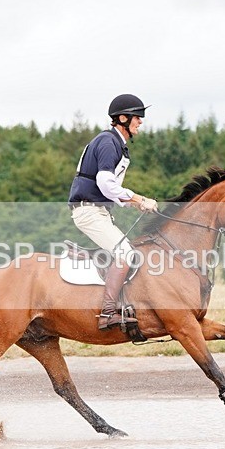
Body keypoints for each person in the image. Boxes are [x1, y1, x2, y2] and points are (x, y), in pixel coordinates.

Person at [68, 94, 159, 330]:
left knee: (125, 252)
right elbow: (106, 185)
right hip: (89, 211)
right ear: (122, 118)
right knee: (126, 254)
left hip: (97, 210)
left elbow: (111, 191)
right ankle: (108, 312)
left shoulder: (116, 143)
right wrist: (139, 199)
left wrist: (135, 202)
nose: (141, 122)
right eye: (137, 117)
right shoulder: (109, 142)